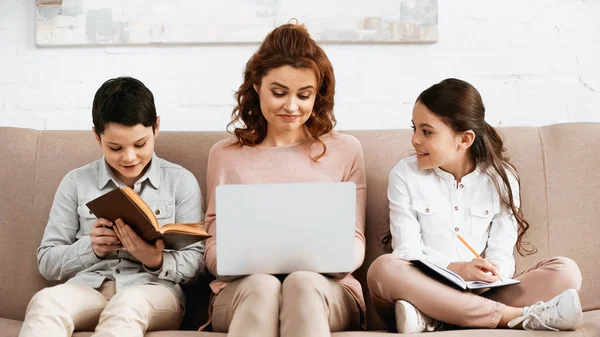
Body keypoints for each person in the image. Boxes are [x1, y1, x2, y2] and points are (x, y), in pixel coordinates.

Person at [367, 78, 583, 333]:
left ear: (465, 139)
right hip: (422, 288)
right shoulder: (405, 174)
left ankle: (435, 319)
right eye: (414, 128)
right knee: (383, 269)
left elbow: (501, 253)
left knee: (566, 272)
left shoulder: (503, 178)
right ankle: (516, 316)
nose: (414, 140)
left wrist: (491, 273)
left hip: (483, 293)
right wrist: (457, 269)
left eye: (426, 131)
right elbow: (406, 252)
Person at [201, 22, 367, 337]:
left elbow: (355, 239)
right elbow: (213, 246)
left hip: (326, 291)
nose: (292, 107)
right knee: (262, 286)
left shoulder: (346, 150)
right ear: (256, 86)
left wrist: (331, 260)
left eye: (304, 95)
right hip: (242, 291)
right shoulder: (225, 155)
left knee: (301, 282)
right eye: (279, 93)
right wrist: (240, 261)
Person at [19, 76, 204, 337]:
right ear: (97, 135)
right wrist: (91, 248)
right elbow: (47, 261)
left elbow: (197, 264)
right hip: (89, 289)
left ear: (156, 127)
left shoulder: (180, 182)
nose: (129, 157)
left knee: (126, 306)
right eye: (115, 147)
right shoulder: (75, 182)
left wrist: (153, 257)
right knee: (45, 302)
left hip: (152, 292)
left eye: (140, 144)